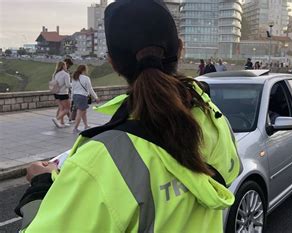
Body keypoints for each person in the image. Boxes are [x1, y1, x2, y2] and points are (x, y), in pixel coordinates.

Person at [15, 0, 241, 232]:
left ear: (112, 62)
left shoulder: (100, 162)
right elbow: (230, 173)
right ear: (180, 50)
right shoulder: (212, 117)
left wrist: (40, 187)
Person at [71, 65, 99, 134]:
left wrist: (72, 98)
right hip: (82, 97)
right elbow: (90, 89)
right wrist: (96, 97)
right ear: (84, 70)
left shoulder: (74, 77)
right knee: (80, 113)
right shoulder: (86, 78)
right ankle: (75, 128)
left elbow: (72, 89)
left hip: (75, 96)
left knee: (83, 112)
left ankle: (86, 125)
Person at [51, 61, 71, 128]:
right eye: (65, 65)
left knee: (61, 108)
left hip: (56, 93)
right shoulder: (66, 74)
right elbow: (68, 85)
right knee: (67, 109)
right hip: (63, 93)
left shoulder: (55, 74)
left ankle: (62, 123)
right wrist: (73, 84)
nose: (66, 67)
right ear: (63, 66)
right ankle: (57, 119)